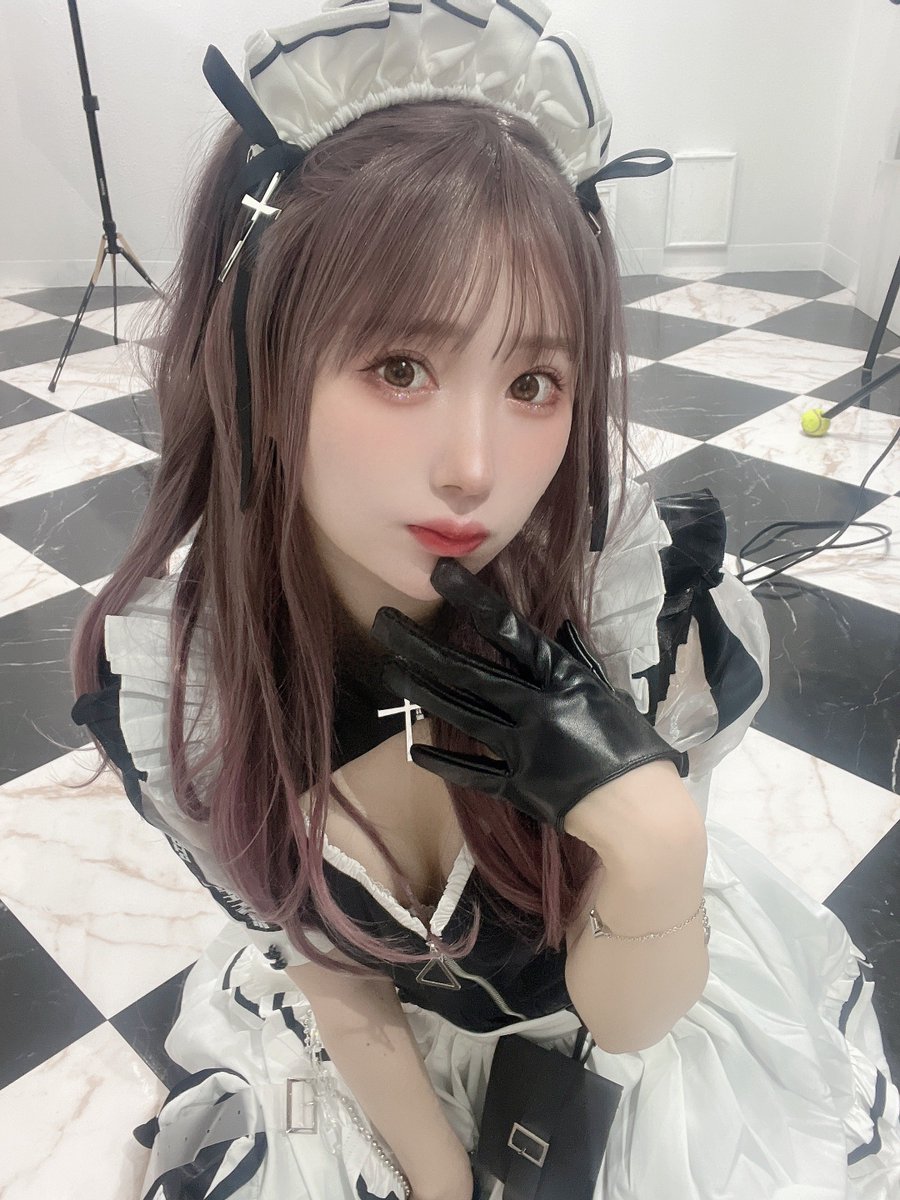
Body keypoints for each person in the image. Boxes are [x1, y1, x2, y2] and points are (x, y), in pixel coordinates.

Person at [68, 2, 900, 1198]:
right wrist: (442, 1184)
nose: (475, 468)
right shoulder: (184, 680)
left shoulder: (620, 603)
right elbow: (342, 984)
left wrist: (657, 842)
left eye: (534, 382)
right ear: (259, 354)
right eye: (400, 366)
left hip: (616, 1011)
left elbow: (628, 1022)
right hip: (391, 1066)